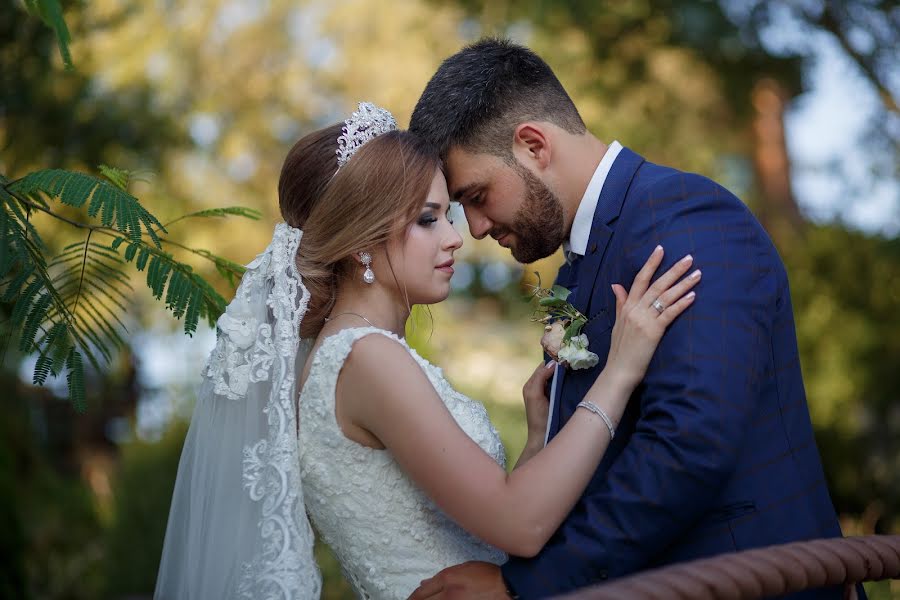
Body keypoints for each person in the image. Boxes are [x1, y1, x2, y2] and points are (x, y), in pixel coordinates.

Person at [154, 102, 699, 599]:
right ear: (364, 235)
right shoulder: (366, 358)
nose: (456, 237)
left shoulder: (351, 355)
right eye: (427, 219)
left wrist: (536, 439)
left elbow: (486, 528)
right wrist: (620, 373)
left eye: (449, 215)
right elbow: (521, 526)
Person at [407, 38, 857, 600]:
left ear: (532, 145)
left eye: (476, 196)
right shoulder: (578, 269)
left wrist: (524, 588)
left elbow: (689, 443)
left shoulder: (688, 222)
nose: (473, 228)